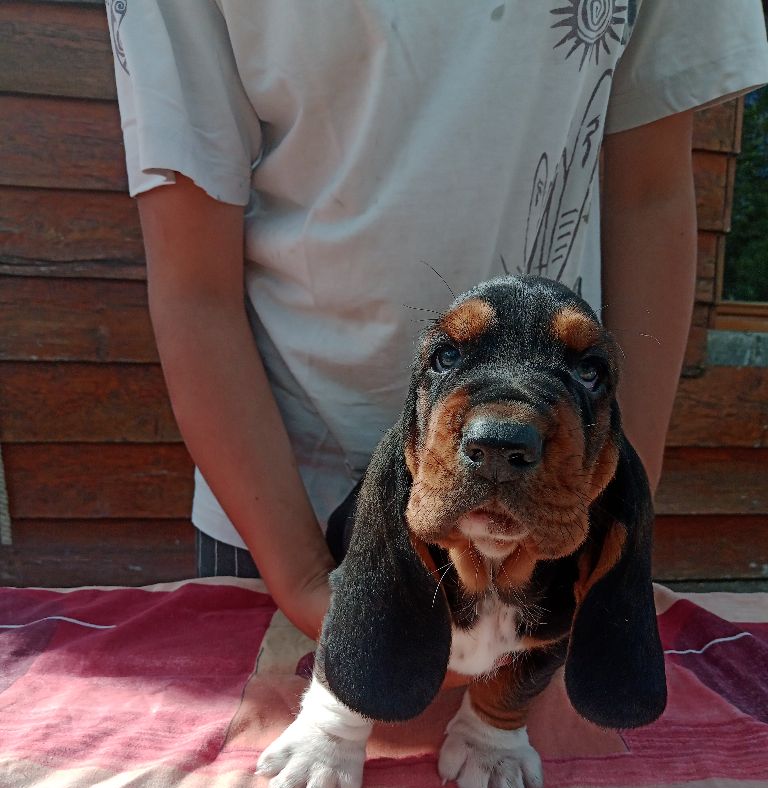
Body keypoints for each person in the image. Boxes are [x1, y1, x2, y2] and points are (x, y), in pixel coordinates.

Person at [108, 0, 768, 640]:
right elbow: (195, 283)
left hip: (548, 510)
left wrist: (617, 519)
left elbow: (648, 196)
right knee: (294, 750)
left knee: (514, 746)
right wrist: (307, 580)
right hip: (281, 514)